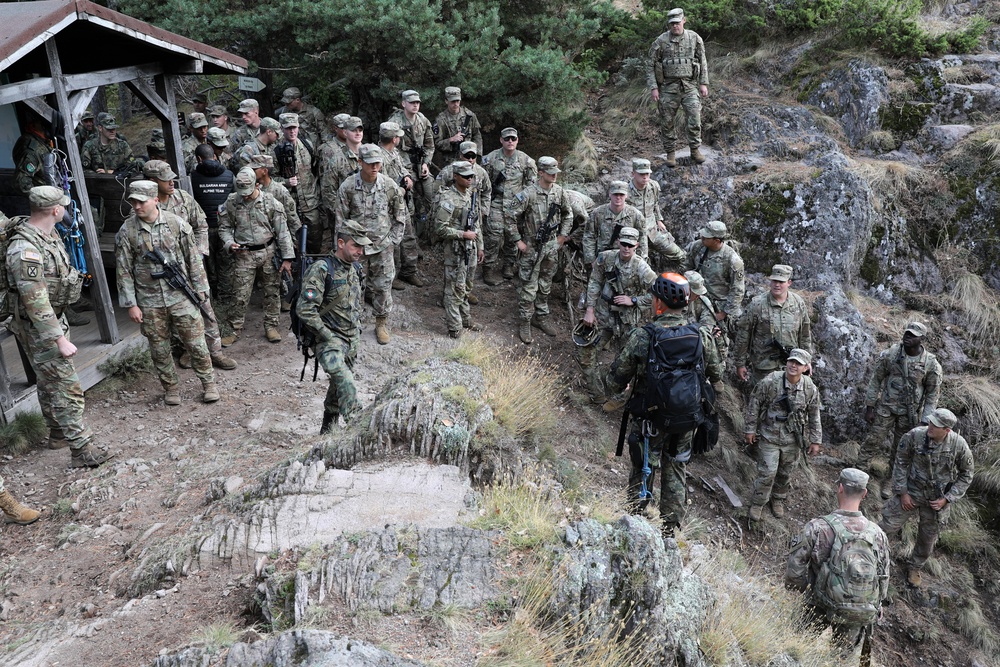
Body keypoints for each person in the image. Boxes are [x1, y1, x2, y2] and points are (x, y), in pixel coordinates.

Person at [604, 272, 723, 536]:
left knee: (643, 466)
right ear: (688, 302)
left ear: (658, 303)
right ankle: (670, 531)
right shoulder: (701, 334)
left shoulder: (643, 336)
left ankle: (635, 524)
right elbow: (716, 374)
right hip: (687, 419)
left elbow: (614, 380)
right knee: (677, 467)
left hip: (650, 421)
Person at [5, 186, 111, 467]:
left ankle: (58, 433)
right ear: (55, 210)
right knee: (67, 386)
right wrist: (58, 340)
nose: (65, 209)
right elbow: (35, 301)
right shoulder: (25, 249)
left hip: (53, 318)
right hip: (41, 327)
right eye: (63, 206)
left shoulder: (47, 235)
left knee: (48, 380)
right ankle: (82, 450)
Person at [115, 180, 220, 405]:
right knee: (159, 349)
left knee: (196, 344)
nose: (136, 206)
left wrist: (201, 289)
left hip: (180, 296)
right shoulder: (128, 230)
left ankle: (209, 384)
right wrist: (131, 304)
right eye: (133, 202)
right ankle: (171, 389)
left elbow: (194, 259)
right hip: (149, 300)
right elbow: (123, 269)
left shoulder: (176, 224)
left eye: (141, 202)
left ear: (155, 199)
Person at [786, 468, 890, 661]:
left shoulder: (817, 527)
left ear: (840, 488)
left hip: (817, 604)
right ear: (865, 493)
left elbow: (794, 570)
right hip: (858, 611)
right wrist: (878, 604)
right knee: (841, 659)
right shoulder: (877, 534)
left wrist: (802, 591)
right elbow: (883, 575)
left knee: (796, 651)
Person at [142, 160, 236, 372]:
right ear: (152, 182)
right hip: (167, 271)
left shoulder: (183, 198)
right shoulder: (146, 207)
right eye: (166, 179)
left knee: (204, 305)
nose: (172, 182)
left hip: (192, 264)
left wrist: (201, 251)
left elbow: (201, 224)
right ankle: (189, 350)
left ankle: (216, 352)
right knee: (179, 313)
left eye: (172, 178)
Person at [881, 408, 974, 587]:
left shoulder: (958, 445)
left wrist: (947, 499)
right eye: (930, 422)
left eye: (936, 425)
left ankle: (915, 567)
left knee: (928, 537)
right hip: (912, 491)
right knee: (887, 525)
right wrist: (902, 492)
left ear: (947, 430)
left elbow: (967, 475)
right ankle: (871, 556)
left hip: (937, 499)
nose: (930, 426)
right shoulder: (914, 436)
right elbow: (900, 462)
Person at [297, 220, 370, 433]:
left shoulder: (355, 268)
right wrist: (327, 335)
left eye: (362, 247)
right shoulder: (321, 270)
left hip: (351, 339)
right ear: (340, 243)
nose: (360, 251)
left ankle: (327, 430)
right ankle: (359, 429)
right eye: (356, 246)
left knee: (338, 384)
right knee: (345, 380)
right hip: (328, 340)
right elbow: (305, 310)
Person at [336, 144, 407, 345]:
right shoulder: (348, 186)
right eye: (370, 163)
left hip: (382, 246)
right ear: (360, 163)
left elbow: (400, 215)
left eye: (378, 163)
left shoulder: (389, 185)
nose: (375, 167)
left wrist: (393, 240)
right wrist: (342, 248)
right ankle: (352, 323)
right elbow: (340, 220)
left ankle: (381, 323)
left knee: (383, 286)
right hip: (356, 248)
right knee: (353, 286)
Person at [861, 322, 942, 498]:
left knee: (901, 449)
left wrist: (925, 420)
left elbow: (932, 394)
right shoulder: (891, 354)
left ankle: (890, 481)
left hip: (909, 415)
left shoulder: (931, 364)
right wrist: (870, 406)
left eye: (913, 335)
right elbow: (876, 379)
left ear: (922, 339)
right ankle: (858, 475)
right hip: (886, 408)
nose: (908, 337)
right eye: (907, 333)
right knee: (872, 441)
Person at [576, 226, 656, 401]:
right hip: (603, 316)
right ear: (618, 242)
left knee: (625, 364)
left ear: (636, 246)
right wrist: (590, 310)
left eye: (630, 245)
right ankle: (596, 393)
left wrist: (633, 300)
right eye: (624, 244)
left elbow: (658, 293)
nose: (626, 248)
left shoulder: (641, 267)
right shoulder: (606, 258)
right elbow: (595, 282)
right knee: (585, 352)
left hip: (627, 321)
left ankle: (619, 397)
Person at [217, 167, 294, 345]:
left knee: (272, 291)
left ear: (257, 185)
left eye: (247, 192)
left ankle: (271, 326)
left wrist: (287, 258)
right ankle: (234, 329)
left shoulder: (270, 202)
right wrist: (229, 243)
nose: (244, 196)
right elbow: (224, 227)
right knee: (240, 294)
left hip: (268, 252)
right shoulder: (232, 202)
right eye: (241, 192)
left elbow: (283, 232)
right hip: (244, 254)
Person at [745, 348, 822, 521]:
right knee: (767, 472)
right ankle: (758, 502)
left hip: (792, 440)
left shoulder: (810, 388)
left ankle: (777, 499)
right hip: (769, 436)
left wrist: (816, 440)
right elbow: (754, 403)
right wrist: (750, 429)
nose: (793, 366)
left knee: (785, 473)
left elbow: (814, 414)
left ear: (805, 368)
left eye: (798, 364)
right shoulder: (771, 381)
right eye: (791, 361)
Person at [504, 156, 574, 344]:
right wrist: (518, 241)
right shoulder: (527, 194)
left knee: (545, 285)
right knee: (528, 286)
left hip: (551, 247)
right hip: (532, 248)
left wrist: (562, 236)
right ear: (540, 172)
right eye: (550, 173)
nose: (554, 176)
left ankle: (541, 317)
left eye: (555, 172)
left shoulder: (559, 193)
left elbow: (568, 215)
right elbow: (509, 217)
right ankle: (525, 321)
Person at [648, 7, 710, 167]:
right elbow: (650, 64)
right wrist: (654, 87)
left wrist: (703, 83)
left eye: (677, 22)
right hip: (668, 87)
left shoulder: (694, 38)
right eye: (672, 24)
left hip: (689, 86)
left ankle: (695, 150)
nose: (675, 26)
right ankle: (670, 154)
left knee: (695, 118)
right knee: (667, 121)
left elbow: (702, 61)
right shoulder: (661, 41)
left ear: (684, 20)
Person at [734, 263, 811, 387]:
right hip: (764, 366)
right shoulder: (757, 304)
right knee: (762, 401)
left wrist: (806, 360)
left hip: (791, 366)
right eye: (774, 280)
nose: (777, 284)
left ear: (789, 283)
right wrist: (740, 363)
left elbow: (805, 334)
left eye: (781, 281)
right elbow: (744, 334)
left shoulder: (798, 303)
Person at [433, 161, 484, 338]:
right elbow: (439, 228)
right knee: (454, 288)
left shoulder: (471, 195)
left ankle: (466, 318)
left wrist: (480, 246)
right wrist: (463, 234)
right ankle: (455, 327)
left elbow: (477, 223)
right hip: (455, 250)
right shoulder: (448, 199)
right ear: (456, 177)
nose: (470, 179)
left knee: (467, 286)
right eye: (466, 176)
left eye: (471, 176)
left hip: (470, 248)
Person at [481, 127, 537, 285]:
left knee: (512, 238)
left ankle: (508, 266)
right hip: (496, 203)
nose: (510, 142)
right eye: (507, 139)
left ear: (517, 140)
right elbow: (483, 182)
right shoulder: (490, 159)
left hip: (515, 206)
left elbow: (531, 186)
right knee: (493, 236)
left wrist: (526, 206)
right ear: (501, 140)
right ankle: (488, 269)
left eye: (513, 139)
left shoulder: (526, 161)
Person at [685, 220, 744, 360]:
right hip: (695, 300)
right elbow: (686, 267)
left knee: (716, 342)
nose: (702, 238)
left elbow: (738, 290)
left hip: (717, 307)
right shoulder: (698, 247)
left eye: (707, 237)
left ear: (717, 240)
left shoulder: (732, 259)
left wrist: (723, 313)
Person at [379, 122, 424, 291]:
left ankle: (409, 271)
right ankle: (393, 275)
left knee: (409, 237)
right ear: (393, 138)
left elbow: (402, 168)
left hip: (401, 202)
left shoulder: (394, 152)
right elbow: (381, 184)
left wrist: (406, 176)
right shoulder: (380, 157)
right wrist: (400, 190)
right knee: (393, 242)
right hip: (389, 206)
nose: (399, 138)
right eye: (397, 136)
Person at [190, 143, 234, 301]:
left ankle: (212, 296)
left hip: (204, 228)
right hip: (224, 227)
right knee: (226, 263)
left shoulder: (192, 178)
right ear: (214, 156)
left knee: (209, 265)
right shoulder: (229, 175)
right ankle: (226, 296)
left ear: (198, 159)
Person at [388, 90, 435, 226]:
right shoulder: (394, 123)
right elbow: (391, 150)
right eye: (412, 102)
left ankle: (429, 231)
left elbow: (429, 145)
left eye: (417, 102)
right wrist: (405, 171)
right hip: (403, 167)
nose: (415, 105)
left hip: (421, 166)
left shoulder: (422, 120)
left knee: (431, 197)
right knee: (409, 204)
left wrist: (426, 163)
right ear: (403, 103)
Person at [630, 158, 686, 272]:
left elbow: (655, 204)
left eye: (647, 174)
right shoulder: (625, 192)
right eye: (641, 174)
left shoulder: (653, 186)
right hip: (635, 235)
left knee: (679, 254)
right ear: (633, 174)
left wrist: (659, 220)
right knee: (640, 265)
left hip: (653, 230)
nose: (645, 177)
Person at [275, 113, 320, 244]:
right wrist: (285, 182)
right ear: (282, 129)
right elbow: (270, 178)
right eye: (288, 128)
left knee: (316, 237)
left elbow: (315, 170)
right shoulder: (276, 151)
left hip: (310, 201)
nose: (292, 131)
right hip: (289, 204)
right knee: (295, 241)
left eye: (294, 127)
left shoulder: (308, 145)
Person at [582, 180, 648, 265]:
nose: (618, 197)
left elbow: (642, 239)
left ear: (626, 195)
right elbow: (589, 236)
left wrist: (641, 261)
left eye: (621, 195)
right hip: (603, 258)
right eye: (615, 194)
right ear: (610, 194)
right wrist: (591, 260)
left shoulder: (635, 215)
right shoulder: (598, 213)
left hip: (627, 259)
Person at [433, 86, 483, 165]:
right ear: (446, 101)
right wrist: (451, 140)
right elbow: (437, 143)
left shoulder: (469, 116)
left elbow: (477, 136)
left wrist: (476, 155)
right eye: (453, 101)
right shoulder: (441, 120)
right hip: (451, 161)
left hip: (469, 159)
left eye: (457, 101)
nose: (456, 104)